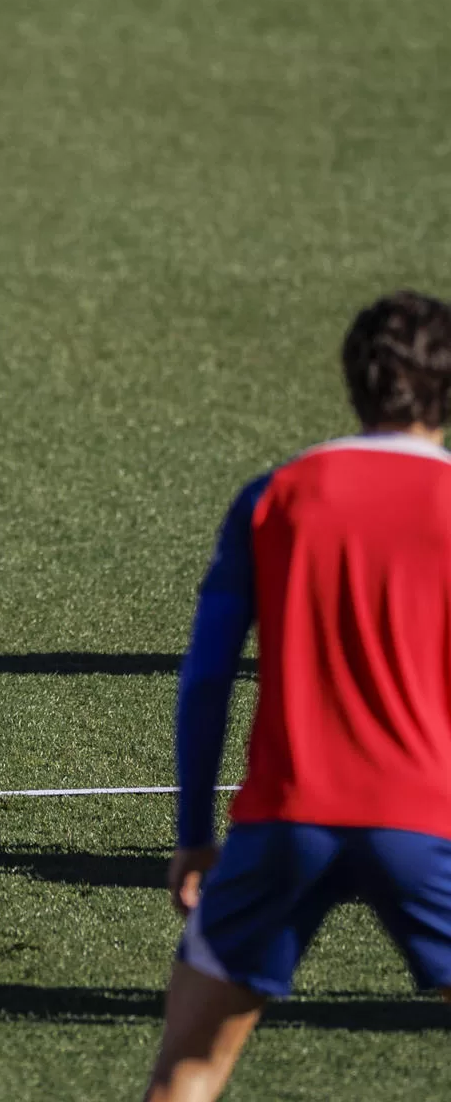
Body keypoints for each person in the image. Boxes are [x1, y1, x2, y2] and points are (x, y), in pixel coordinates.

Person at [146, 291, 451, 1101]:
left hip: (282, 824)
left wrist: (192, 835)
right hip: (426, 825)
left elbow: (207, 676)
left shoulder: (274, 496)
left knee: (189, 1068)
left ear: (351, 378)